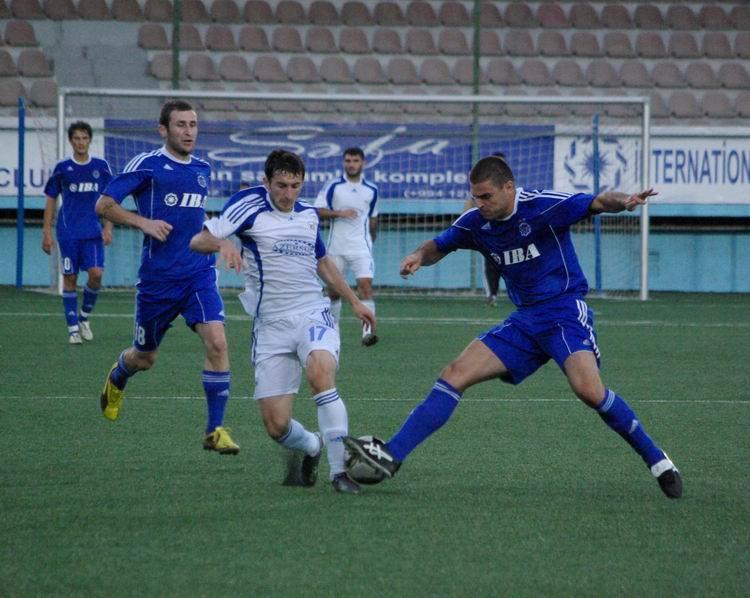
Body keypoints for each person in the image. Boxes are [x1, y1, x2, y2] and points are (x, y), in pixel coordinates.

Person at [345, 155, 683, 499]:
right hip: (525, 321)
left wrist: (625, 201)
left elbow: (597, 201)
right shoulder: (476, 222)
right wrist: (419, 256)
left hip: (564, 312)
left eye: (486, 196)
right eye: (475, 197)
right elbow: (442, 243)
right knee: (455, 373)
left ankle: (657, 459)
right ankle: (392, 454)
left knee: (589, 391)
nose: (479, 204)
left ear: (509, 188)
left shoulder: (543, 206)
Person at [190, 149, 376, 494]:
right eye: (281, 186)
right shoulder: (248, 205)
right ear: (266, 181)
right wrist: (222, 245)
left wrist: (354, 302)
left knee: (321, 372)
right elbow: (198, 239)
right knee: (276, 426)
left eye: (295, 186)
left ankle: (340, 472)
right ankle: (313, 446)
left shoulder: (307, 215)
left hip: (311, 311)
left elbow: (323, 263)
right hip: (270, 325)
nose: (288, 194)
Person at [95, 99, 239, 455]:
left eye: (193, 124)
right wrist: (142, 222)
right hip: (158, 281)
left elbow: (196, 220)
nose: (188, 132)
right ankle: (118, 375)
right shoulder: (147, 165)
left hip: (198, 275)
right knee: (145, 358)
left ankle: (214, 430)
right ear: (164, 129)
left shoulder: (203, 169)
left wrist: (220, 243)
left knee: (218, 342)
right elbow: (103, 205)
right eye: (180, 125)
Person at [42, 121, 113, 344]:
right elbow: (51, 198)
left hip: (93, 233)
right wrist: (46, 231)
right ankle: (73, 329)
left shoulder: (101, 166)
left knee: (96, 274)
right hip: (68, 233)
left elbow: (110, 199)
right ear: (71, 141)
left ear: (90, 140)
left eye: (84, 138)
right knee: (70, 278)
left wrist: (108, 227)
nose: (81, 142)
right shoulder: (63, 168)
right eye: (76, 138)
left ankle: (84, 317)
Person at [314, 147, 379, 346]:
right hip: (337, 247)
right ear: (343, 162)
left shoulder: (371, 189)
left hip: (361, 248)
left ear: (363, 163)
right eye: (348, 161)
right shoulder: (333, 186)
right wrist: (339, 213)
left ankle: (367, 333)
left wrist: (370, 240)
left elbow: (373, 217)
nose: (351, 165)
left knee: (365, 287)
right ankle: (332, 330)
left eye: (355, 161)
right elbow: (317, 210)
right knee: (334, 291)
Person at [462, 151, 505, 306]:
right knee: (491, 262)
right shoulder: (482, 183)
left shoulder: (508, 183)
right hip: (489, 229)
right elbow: (470, 202)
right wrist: (466, 222)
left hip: (508, 228)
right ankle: (492, 295)